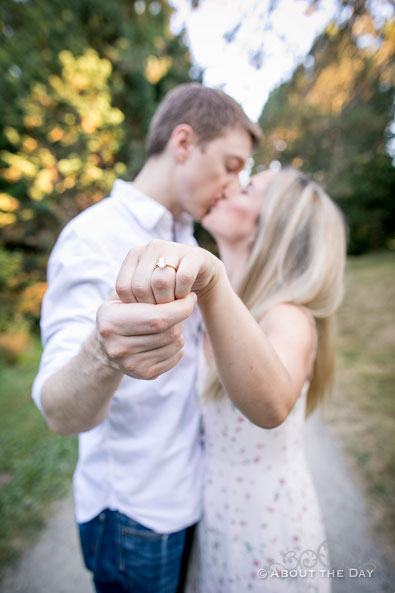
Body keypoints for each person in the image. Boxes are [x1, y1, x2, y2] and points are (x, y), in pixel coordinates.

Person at [32, 82, 261, 593]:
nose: (232, 185)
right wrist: (102, 351)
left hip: (188, 494)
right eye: (230, 164)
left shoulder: (186, 236)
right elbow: (58, 412)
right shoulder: (93, 237)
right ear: (183, 143)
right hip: (137, 512)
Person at [116, 167, 347, 592]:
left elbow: (271, 406)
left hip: (268, 527)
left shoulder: (287, 315)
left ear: (272, 225)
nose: (225, 187)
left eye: (244, 188)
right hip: (216, 516)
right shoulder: (218, 310)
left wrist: (215, 278)